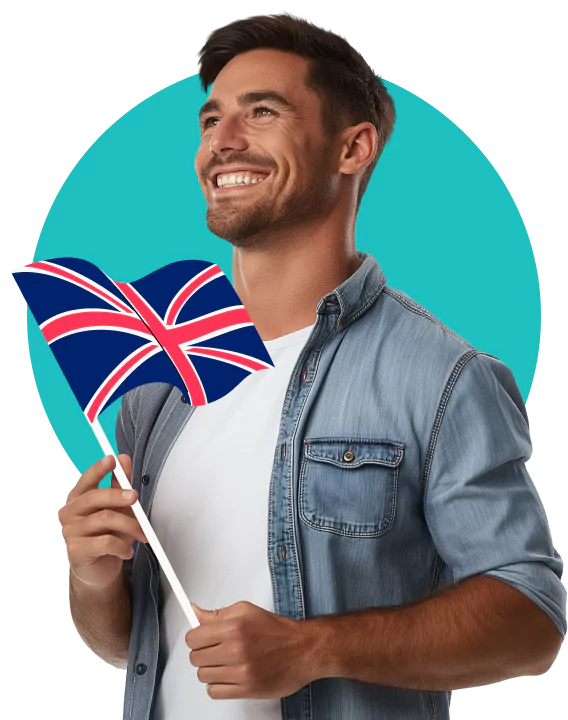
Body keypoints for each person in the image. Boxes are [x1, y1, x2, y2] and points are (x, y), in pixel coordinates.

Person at [58, 10, 566, 720]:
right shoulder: (156, 390)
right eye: (210, 121)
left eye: (262, 112)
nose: (221, 143)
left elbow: (532, 618)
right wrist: (94, 575)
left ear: (352, 148)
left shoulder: (442, 377)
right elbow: (129, 640)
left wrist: (312, 648)